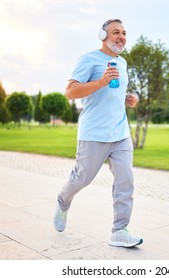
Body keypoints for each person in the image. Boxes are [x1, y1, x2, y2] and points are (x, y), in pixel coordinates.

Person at [53, 19, 142, 248]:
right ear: (103, 35)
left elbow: (114, 94)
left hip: (120, 133)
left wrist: (128, 99)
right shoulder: (88, 59)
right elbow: (71, 92)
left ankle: (119, 230)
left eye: (124, 32)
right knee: (82, 178)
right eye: (116, 32)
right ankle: (63, 202)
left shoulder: (122, 63)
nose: (121, 36)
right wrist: (100, 82)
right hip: (94, 133)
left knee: (125, 179)